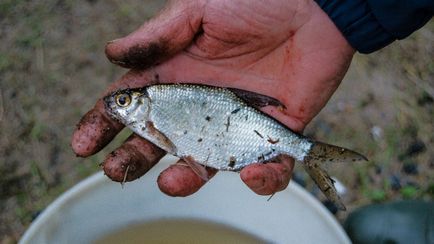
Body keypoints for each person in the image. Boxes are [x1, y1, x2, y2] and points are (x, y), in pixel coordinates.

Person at [71, 0, 433, 197]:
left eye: (124, 103)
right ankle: (305, 151)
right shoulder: (153, 108)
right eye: (123, 103)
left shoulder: (153, 104)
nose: (120, 106)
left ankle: (305, 151)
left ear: (139, 104)